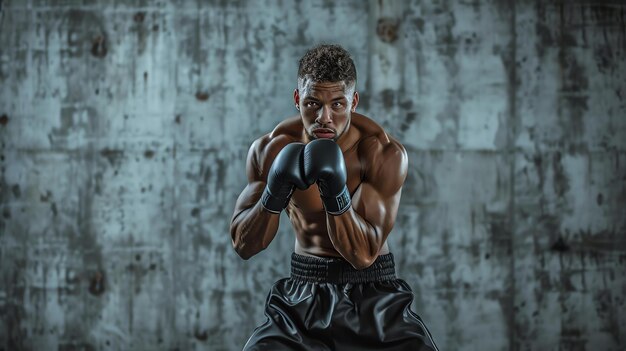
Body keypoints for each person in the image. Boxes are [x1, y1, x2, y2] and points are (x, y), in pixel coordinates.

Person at [230, 44, 438, 351]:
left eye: (337, 105)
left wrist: (334, 191)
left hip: (375, 298)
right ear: (297, 99)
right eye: (313, 103)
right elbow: (244, 245)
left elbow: (362, 255)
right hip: (302, 298)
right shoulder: (271, 149)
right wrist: (273, 196)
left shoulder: (381, 152)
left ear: (353, 102)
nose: (324, 117)